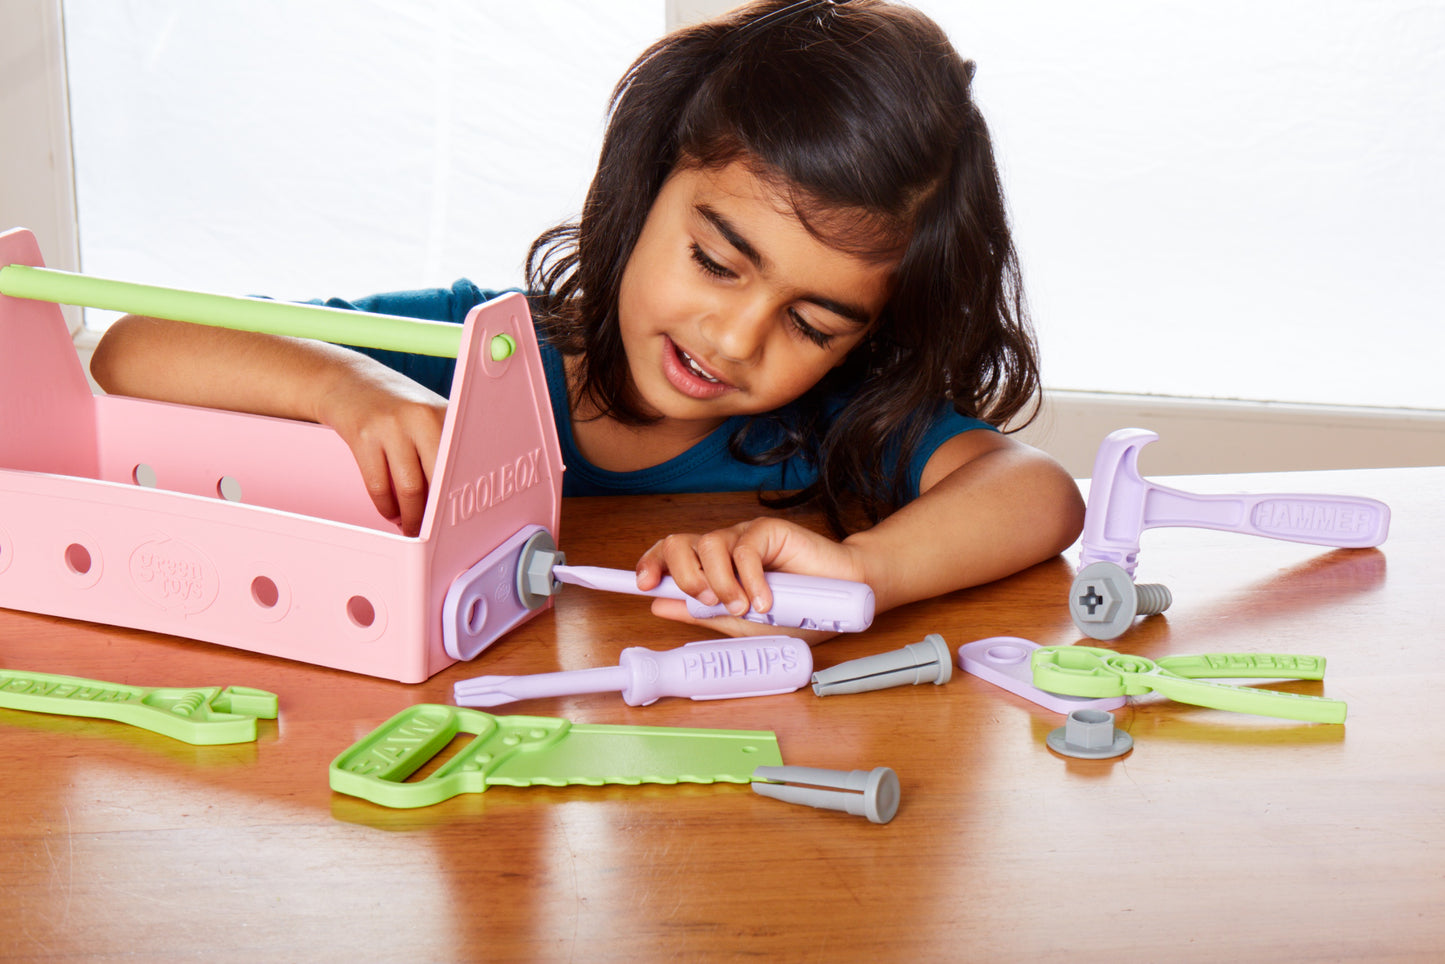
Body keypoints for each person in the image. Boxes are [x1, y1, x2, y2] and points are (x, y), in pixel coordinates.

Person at [90, 0, 1084, 643]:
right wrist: (345, 388)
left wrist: (862, 570)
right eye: (715, 261)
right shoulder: (480, 346)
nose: (736, 340)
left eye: (813, 323)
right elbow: (133, 346)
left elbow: (1037, 493)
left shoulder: (830, 423)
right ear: (642, 187)